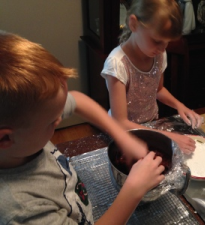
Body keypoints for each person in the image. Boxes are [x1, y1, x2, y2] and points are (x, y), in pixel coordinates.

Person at [0, 30, 165, 224]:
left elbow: (77, 100)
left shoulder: (24, 132)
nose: (59, 120)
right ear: (5, 139)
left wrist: (122, 137)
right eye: (52, 122)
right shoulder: (22, 210)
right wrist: (133, 190)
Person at [101, 0, 202, 154]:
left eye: (167, 42)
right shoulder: (117, 65)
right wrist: (170, 137)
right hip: (124, 134)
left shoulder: (159, 54)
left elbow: (158, 89)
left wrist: (180, 105)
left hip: (152, 125)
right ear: (134, 24)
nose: (162, 48)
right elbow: (120, 122)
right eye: (157, 41)